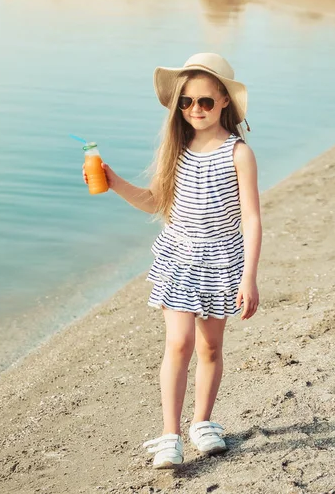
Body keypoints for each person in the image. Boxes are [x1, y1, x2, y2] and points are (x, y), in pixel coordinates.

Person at [82, 52, 262, 469]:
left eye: (205, 101)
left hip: (222, 259)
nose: (195, 109)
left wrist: (248, 278)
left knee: (211, 346)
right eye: (186, 102)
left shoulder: (239, 154)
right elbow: (156, 202)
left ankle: (202, 422)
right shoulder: (176, 150)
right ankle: (170, 434)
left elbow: (251, 219)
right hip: (179, 257)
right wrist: (113, 182)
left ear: (223, 104)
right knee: (179, 342)